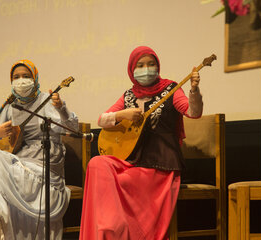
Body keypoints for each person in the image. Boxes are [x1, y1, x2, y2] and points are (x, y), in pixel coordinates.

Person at [79, 46, 203, 240]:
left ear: (158, 66)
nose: (146, 69)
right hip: (133, 162)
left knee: (123, 181)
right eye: (141, 65)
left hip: (160, 162)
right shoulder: (129, 95)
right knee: (97, 163)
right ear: (132, 70)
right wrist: (122, 114)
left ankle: (123, 233)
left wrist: (194, 91)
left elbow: (193, 112)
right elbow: (102, 120)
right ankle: (110, 229)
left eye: (151, 64)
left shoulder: (172, 89)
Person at [0, 59, 78, 240]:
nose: (21, 81)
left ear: (35, 78)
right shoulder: (10, 105)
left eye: (26, 76)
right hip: (22, 163)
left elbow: (73, 129)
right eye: (16, 77)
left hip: (46, 165)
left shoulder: (47, 101)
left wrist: (61, 109)